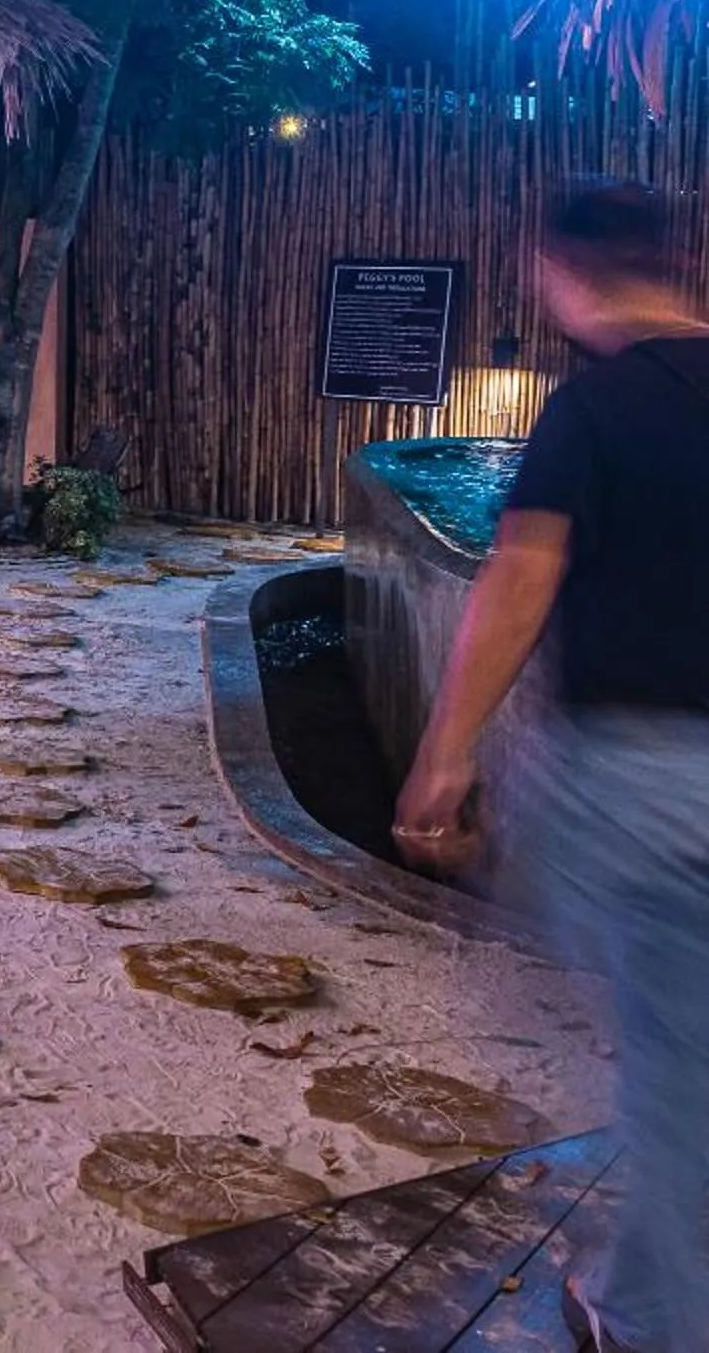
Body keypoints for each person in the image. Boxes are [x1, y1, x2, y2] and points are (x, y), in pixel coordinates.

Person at [392, 180, 709, 1353]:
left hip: (638, 781)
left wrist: (444, 754)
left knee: (670, 1067)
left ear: (569, 273)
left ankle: (646, 1318)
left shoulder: (596, 412)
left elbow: (518, 579)